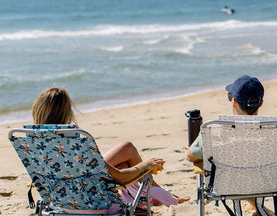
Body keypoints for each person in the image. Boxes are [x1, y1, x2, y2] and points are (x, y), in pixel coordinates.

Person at [32, 87, 188, 205]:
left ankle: (157, 193)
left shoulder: (33, 141)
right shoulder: (74, 142)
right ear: (66, 112)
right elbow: (119, 177)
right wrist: (144, 166)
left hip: (59, 195)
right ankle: (158, 194)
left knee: (126, 150)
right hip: (86, 196)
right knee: (127, 161)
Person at [186, 75, 277, 165]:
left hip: (225, 186)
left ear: (234, 102)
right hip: (268, 185)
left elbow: (190, 157)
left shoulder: (214, 130)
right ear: (261, 103)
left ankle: (251, 199)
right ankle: (252, 199)